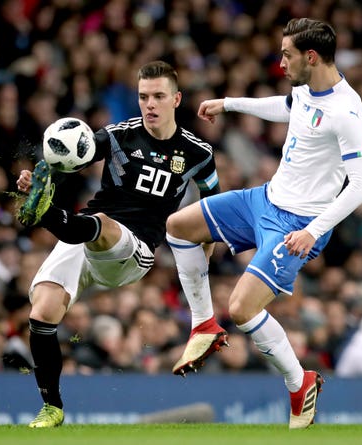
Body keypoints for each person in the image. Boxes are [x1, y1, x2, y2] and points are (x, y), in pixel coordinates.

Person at [165, 18, 362, 429]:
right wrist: (229, 103)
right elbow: (287, 108)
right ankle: (203, 324)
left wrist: (313, 230)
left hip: (298, 223)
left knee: (242, 309)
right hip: (263, 199)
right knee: (178, 226)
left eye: (287, 55)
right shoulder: (307, 90)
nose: (280, 62)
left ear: (310, 57)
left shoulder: (346, 112)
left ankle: (299, 384)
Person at [15, 60, 220, 428]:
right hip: (86, 231)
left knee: (103, 226)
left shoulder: (198, 153)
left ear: (177, 99)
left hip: (135, 249)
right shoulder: (117, 135)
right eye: (143, 97)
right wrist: (42, 173)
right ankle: (53, 408)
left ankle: (45, 214)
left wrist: (205, 251)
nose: (150, 105)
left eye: (158, 96)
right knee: (42, 312)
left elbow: (212, 206)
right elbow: (71, 154)